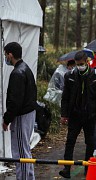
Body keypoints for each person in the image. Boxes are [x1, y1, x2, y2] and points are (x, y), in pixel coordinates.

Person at [59, 51, 96, 178]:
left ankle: (88, 169)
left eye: (81, 64)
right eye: (77, 64)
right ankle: (66, 168)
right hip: (74, 114)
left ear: (87, 62)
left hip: (90, 115)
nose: (79, 66)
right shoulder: (70, 76)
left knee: (90, 142)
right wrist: (64, 115)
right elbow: (65, 97)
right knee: (70, 141)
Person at [2, 42, 37, 180]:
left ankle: (23, 178)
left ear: (10, 55)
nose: (5, 57)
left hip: (22, 115)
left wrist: (7, 119)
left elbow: (15, 101)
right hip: (28, 113)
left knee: (21, 152)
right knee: (25, 149)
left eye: (6, 54)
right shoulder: (25, 68)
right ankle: (29, 177)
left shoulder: (17, 73)